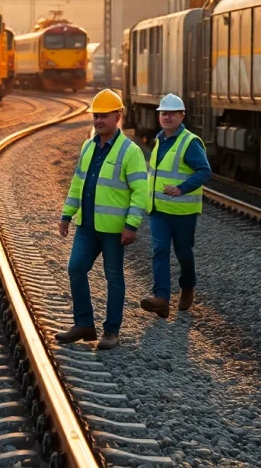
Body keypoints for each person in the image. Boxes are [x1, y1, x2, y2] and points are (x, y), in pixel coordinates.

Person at [57, 89, 148, 349]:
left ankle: (112, 331)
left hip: (113, 229)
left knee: (114, 277)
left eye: (104, 116)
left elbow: (140, 192)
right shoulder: (88, 146)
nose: (98, 121)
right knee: (75, 268)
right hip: (86, 226)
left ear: (118, 116)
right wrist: (66, 215)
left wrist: (131, 224)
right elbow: (77, 184)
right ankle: (84, 324)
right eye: (96, 116)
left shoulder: (130, 152)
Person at [139, 93, 212, 318]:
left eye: (171, 113)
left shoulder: (190, 143)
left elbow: (204, 171)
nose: (167, 116)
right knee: (159, 250)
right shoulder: (160, 139)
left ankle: (188, 286)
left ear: (182, 116)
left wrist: (182, 188)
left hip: (182, 212)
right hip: (158, 210)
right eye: (163, 113)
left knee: (183, 254)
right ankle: (161, 298)